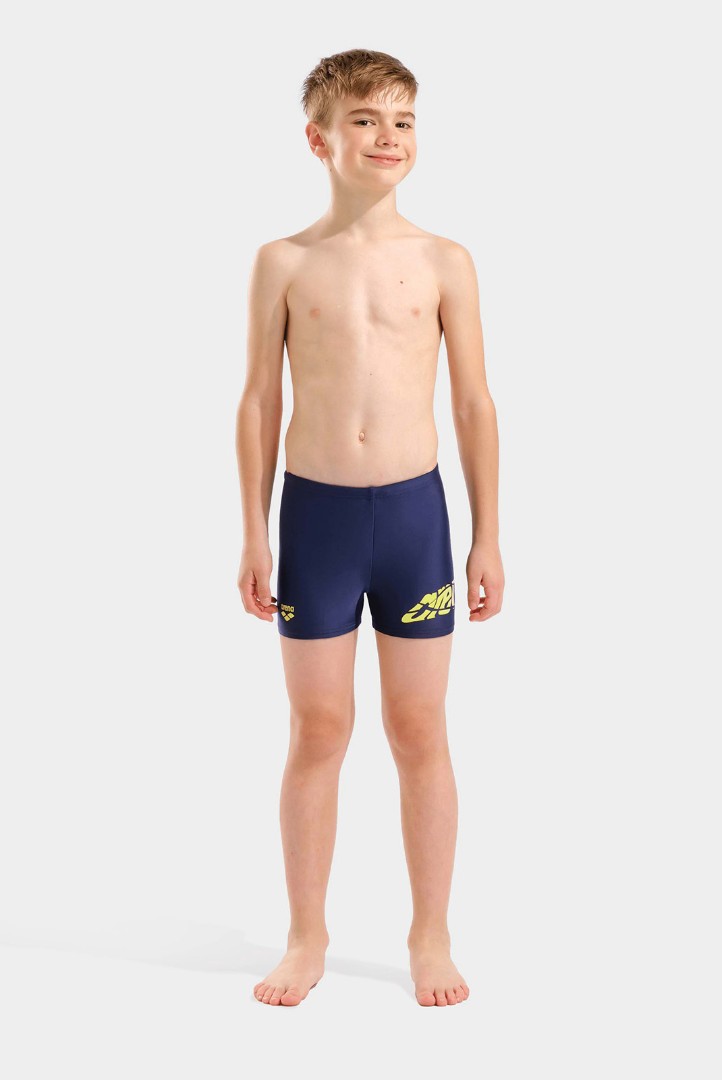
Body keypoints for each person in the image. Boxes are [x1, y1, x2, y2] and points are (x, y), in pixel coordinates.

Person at [235, 48, 504, 1008]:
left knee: (419, 727)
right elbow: (259, 401)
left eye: (403, 120)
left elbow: (472, 402)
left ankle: (430, 933)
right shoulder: (284, 262)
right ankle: (306, 935)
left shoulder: (444, 262)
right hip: (316, 518)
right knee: (318, 729)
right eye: (365, 120)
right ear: (320, 139)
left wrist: (487, 534)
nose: (388, 137)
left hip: (413, 519)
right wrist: (254, 532)